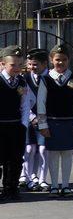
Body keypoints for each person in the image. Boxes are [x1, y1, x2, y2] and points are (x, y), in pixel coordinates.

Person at [40, 47, 73, 197]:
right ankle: (54, 185)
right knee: (53, 154)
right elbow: (41, 103)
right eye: (57, 59)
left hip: (69, 122)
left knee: (67, 153)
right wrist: (43, 124)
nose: (60, 62)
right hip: (52, 122)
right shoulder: (47, 79)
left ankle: (66, 185)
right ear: (52, 60)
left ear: (68, 61)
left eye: (64, 59)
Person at [0, 47, 36, 201]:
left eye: (20, 65)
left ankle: (11, 188)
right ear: (2, 64)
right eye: (12, 65)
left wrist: (24, 123)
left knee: (15, 159)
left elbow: (27, 102)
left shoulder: (21, 81)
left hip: (16, 126)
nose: (16, 68)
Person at [22, 49, 48, 190]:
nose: (32, 67)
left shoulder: (50, 78)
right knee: (29, 149)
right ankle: (29, 177)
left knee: (43, 150)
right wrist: (32, 117)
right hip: (29, 118)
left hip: (45, 119)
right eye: (30, 64)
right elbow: (24, 100)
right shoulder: (25, 78)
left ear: (45, 64)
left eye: (35, 64)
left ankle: (42, 178)